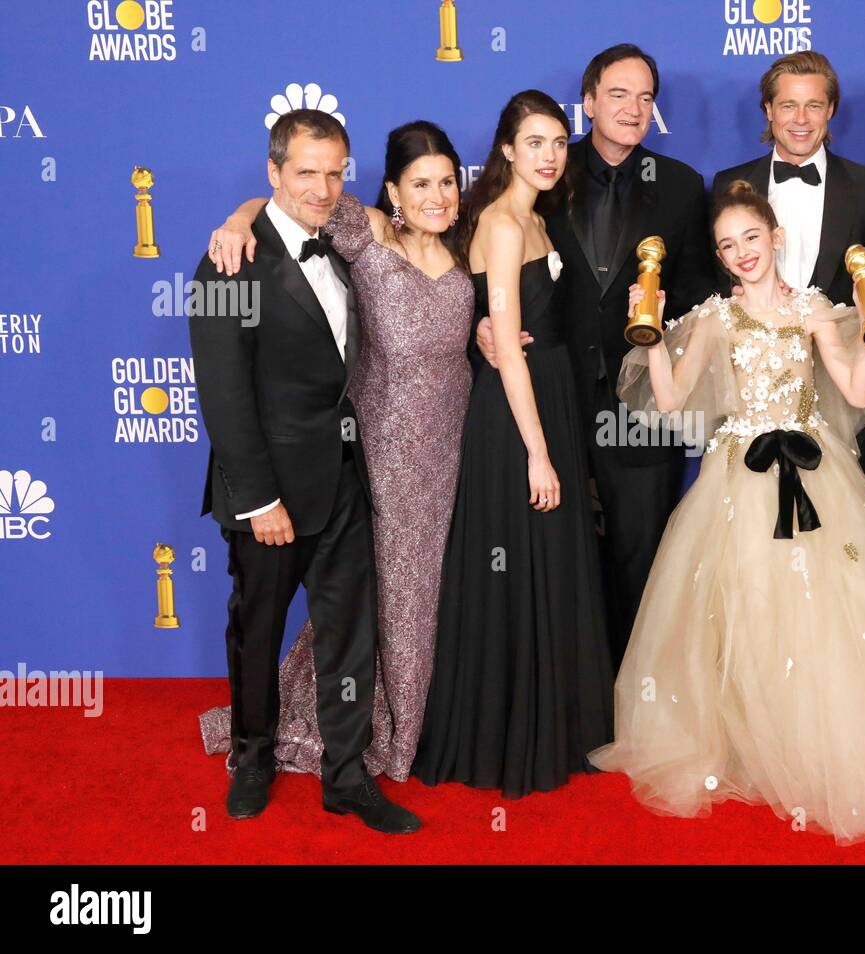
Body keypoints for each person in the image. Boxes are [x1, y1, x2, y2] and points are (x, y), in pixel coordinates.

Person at [587, 180, 865, 845]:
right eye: (728, 245)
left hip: (816, 470)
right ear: (720, 258)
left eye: (752, 237)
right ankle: (752, 741)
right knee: (746, 605)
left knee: (831, 613)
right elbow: (666, 401)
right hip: (738, 474)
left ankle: (824, 741)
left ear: (776, 237)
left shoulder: (815, 310)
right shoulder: (715, 317)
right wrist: (653, 328)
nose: (742, 252)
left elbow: (859, 390)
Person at [196, 121, 475, 783]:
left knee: (354, 623)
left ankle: (351, 768)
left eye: (333, 173)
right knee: (260, 623)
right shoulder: (234, 259)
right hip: (292, 478)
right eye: (306, 172)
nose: (322, 188)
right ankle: (253, 758)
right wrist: (237, 216)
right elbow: (225, 393)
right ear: (273, 173)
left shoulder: (419, 241)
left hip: (370, 465)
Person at [476, 44, 715, 666]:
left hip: (642, 404)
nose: (633, 109)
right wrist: (482, 322)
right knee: (556, 550)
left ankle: (636, 691)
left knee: (640, 550)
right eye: (618, 94)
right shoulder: (548, 170)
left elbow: (698, 292)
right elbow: (470, 254)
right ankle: (570, 686)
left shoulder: (684, 186)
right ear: (587, 102)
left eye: (644, 98)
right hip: (553, 391)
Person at [410, 91, 614, 798]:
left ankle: (557, 724)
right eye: (534, 142)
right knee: (522, 558)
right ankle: (512, 735)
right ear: (505, 149)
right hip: (517, 415)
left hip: (549, 398)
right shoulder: (499, 224)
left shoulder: (535, 215)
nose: (551, 155)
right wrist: (537, 450)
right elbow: (508, 352)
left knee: (551, 561)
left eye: (559, 141)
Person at [712, 50, 865, 488]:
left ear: (830, 111)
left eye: (814, 105)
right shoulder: (726, 184)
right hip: (754, 399)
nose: (801, 118)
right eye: (788, 105)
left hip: (844, 393)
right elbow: (713, 280)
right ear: (768, 110)